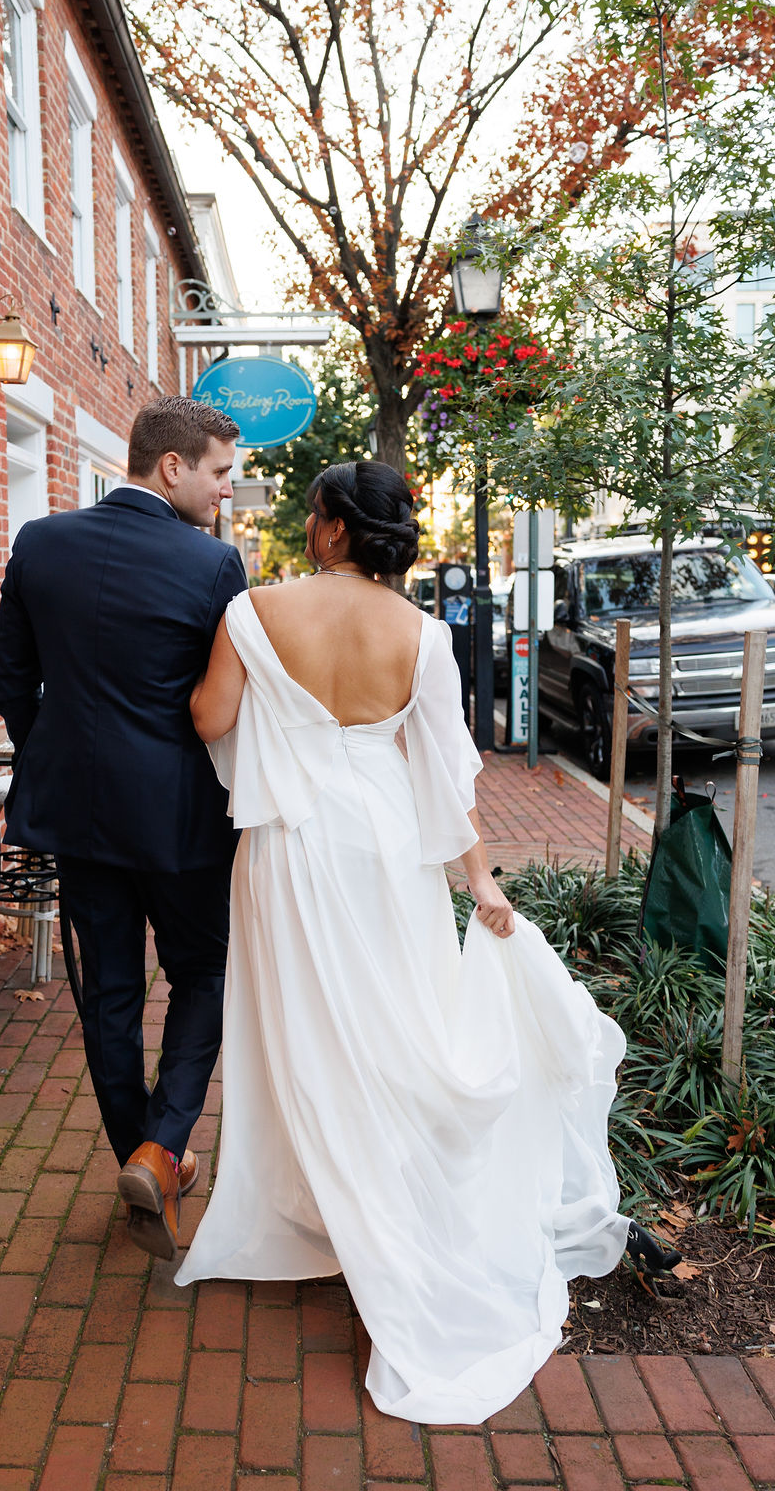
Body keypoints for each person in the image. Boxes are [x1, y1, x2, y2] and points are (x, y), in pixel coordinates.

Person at [174, 459, 678, 1424]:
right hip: (387, 850)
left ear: (326, 527)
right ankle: (390, 1206)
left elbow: (211, 718)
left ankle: (329, 1209)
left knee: (306, 1035)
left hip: (289, 847)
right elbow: (446, 777)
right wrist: (480, 881)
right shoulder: (425, 635)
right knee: (397, 1026)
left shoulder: (253, 611)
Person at [0, 396, 247, 1261]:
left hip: (76, 814)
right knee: (203, 971)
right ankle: (163, 1145)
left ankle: (144, 1152)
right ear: (170, 466)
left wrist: (58, 759)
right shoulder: (214, 566)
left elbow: (10, 685)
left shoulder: (39, 543)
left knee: (105, 992)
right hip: (179, 817)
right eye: (218, 473)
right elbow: (223, 708)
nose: (224, 493)